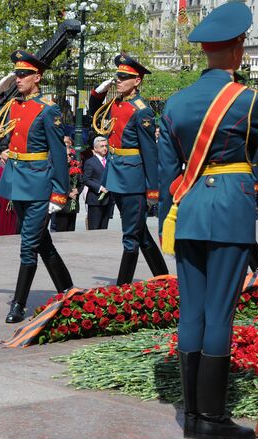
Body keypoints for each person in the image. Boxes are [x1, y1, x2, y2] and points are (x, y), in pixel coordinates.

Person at [157, 3, 258, 439]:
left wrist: (168, 222)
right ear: (238, 49)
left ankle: (193, 417)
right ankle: (213, 420)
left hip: (187, 214)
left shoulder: (175, 103)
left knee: (193, 313)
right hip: (229, 214)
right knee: (220, 314)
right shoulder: (247, 101)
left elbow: (166, 177)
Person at [0, 50, 73, 323]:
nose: (18, 79)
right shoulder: (12, 106)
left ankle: (18, 304)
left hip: (39, 185)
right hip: (17, 182)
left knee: (28, 244)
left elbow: (59, 154)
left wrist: (59, 192)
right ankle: (68, 290)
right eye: (16, 74)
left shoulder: (48, 109)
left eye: (23, 74)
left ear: (37, 77)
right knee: (42, 241)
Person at [89, 53, 168, 284]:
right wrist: (98, 91)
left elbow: (150, 152)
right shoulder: (115, 103)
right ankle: (164, 279)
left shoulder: (141, 110)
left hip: (133, 177)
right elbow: (94, 108)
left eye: (125, 77)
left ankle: (122, 287)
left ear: (137, 81)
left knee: (131, 237)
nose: (119, 80)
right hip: (116, 173)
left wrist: (153, 188)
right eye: (118, 76)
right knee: (140, 232)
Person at [83, 136, 112, 230]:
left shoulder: (110, 161)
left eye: (106, 146)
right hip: (95, 200)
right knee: (94, 228)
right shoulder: (90, 162)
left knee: (104, 228)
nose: (105, 148)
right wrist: (100, 188)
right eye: (102, 146)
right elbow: (86, 179)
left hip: (108, 200)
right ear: (95, 148)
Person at [0, 146, 18, 236]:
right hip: (0, 198)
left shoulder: (13, 166)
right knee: (0, 219)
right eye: (7, 152)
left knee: (12, 220)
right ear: (0, 155)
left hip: (13, 197)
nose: (9, 154)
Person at [54, 146, 82, 232]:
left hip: (73, 204)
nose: (69, 157)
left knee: (71, 230)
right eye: (66, 155)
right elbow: (55, 184)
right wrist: (68, 193)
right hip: (62, 204)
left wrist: (78, 190)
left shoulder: (74, 167)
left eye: (70, 155)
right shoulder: (56, 168)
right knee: (61, 231)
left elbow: (82, 182)